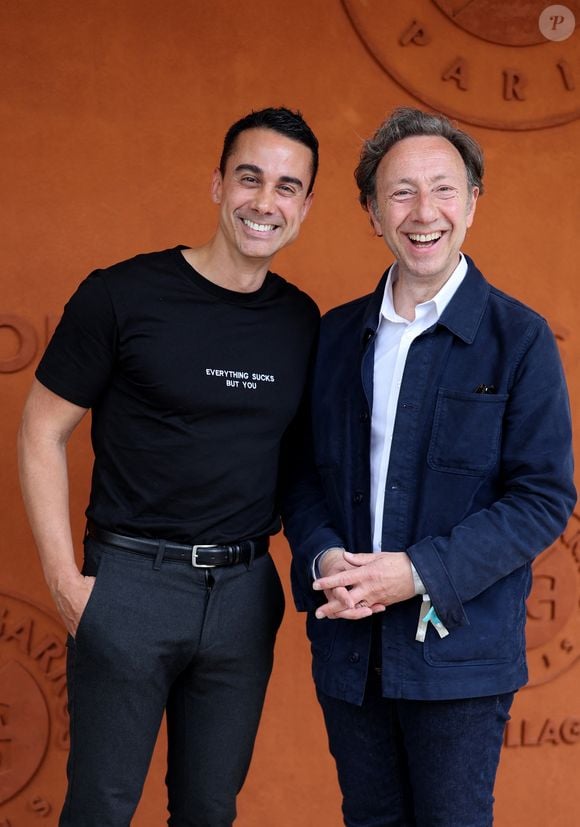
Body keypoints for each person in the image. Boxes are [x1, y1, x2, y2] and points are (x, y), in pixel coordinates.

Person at [18, 106, 320, 827]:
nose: (265, 201)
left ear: (305, 207)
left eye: (286, 187)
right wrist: (65, 580)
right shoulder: (122, 295)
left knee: (209, 810)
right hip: (130, 583)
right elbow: (39, 431)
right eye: (249, 178)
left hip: (244, 593)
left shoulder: (302, 322)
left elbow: (305, 466)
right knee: (101, 808)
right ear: (217, 184)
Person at [282, 107, 575, 827]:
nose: (424, 212)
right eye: (401, 192)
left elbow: (542, 496)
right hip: (351, 652)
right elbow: (302, 473)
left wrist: (415, 573)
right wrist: (324, 557)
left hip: (459, 657)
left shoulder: (519, 339)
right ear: (372, 212)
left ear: (472, 203)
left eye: (443, 189)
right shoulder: (335, 336)